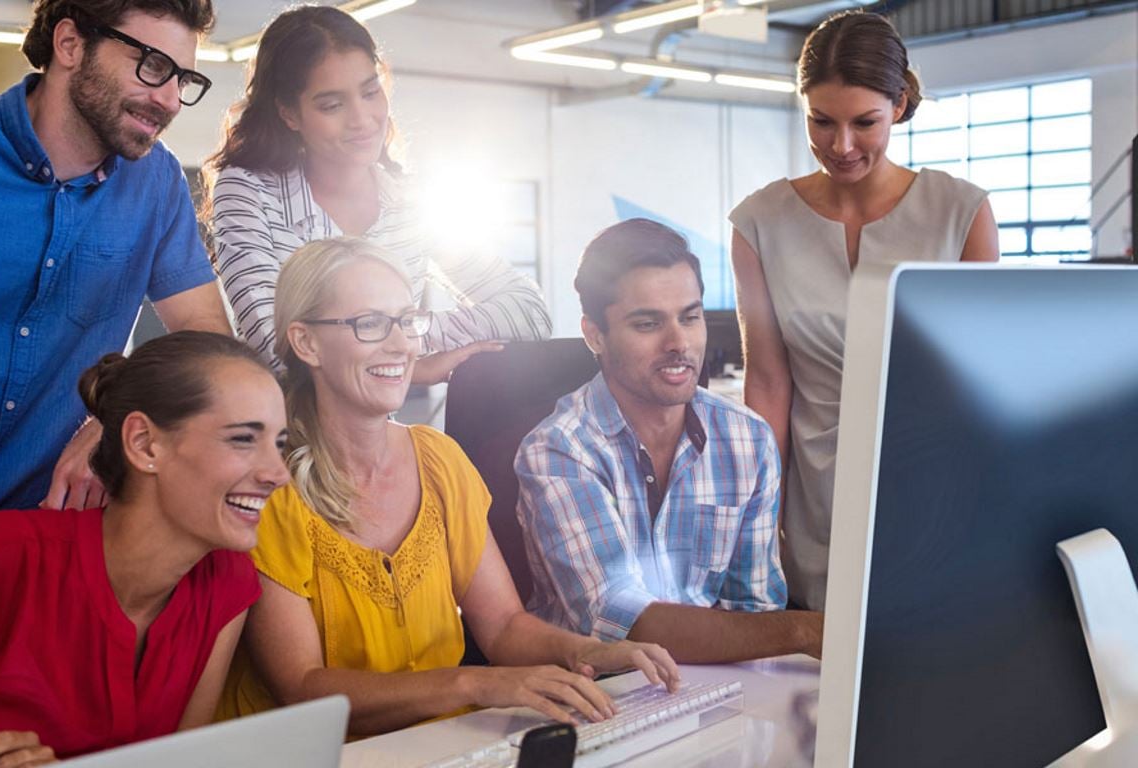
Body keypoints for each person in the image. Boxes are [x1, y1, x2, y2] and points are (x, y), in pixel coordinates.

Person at [217, 238, 678, 737]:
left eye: (406, 320)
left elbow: (502, 624)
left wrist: (584, 650)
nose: (401, 345)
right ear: (306, 343)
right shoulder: (268, 486)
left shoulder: (440, 461)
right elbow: (301, 688)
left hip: (437, 746)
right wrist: (472, 685)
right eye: (370, 324)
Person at [0, 0, 231, 520]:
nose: (169, 99)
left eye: (182, 78)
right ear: (71, 44)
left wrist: (119, 412)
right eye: (152, 66)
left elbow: (207, 336)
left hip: (17, 539)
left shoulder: (157, 186)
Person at [0, 332, 289, 768]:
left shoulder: (228, 585)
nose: (278, 474)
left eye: (280, 445)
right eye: (243, 439)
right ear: (143, 443)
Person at [729, 10, 1000, 611]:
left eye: (864, 123)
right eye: (821, 122)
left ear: (899, 105)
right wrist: (756, 521)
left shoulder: (961, 212)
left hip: (936, 487)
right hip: (815, 500)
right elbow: (769, 387)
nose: (840, 145)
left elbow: (980, 385)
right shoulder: (759, 223)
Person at [515, 219, 823, 665]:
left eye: (690, 317)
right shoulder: (560, 449)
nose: (679, 343)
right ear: (594, 335)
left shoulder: (747, 438)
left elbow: (755, 609)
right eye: (647, 324)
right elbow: (623, 625)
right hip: (599, 694)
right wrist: (807, 630)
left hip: (718, 685)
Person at [206, 5, 550, 386]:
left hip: (374, 436)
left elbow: (529, 312)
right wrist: (407, 363)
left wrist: (410, 333)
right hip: (284, 436)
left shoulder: (410, 205)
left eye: (371, 92)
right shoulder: (247, 190)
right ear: (289, 114)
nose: (362, 119)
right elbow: (277, 347)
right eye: (332, 105)